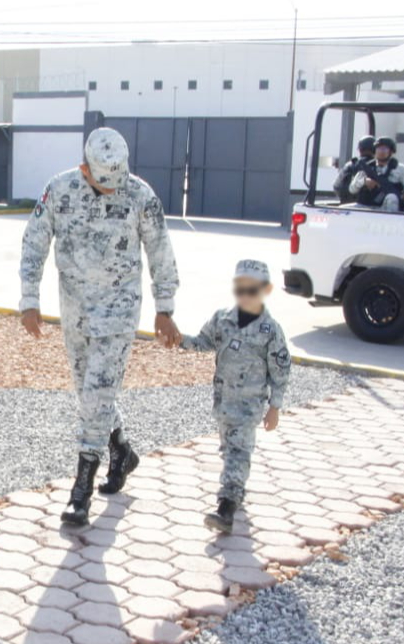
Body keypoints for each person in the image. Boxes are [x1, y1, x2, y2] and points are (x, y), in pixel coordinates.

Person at [19, 127, 181, 526]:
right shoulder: (59, 190)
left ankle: (81, 491)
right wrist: (29, 299)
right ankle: (121, 450)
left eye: (117, 182)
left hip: (119, 312)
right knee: (90, 392)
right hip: (74, 311)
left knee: (96, 394)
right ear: (85, 170)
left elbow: (161, 251)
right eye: (103, 183)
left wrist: (165, 307)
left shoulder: (141, 195)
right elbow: (34, 241)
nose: (112, 190)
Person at [179, 259, 291, 534]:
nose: (244, 295)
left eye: (251, 290)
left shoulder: (270, 330)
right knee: (229, 450)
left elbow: (280, 370)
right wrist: (177, 338)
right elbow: (203, 342)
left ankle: (226, 506)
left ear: (266, 290)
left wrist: (274, 406)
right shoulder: (223, 319)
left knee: (238, 453)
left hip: (249, 406)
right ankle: (236, 491)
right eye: (240, 289)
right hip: (224, 403)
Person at [349, 137, 404, 212]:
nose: (381, 152)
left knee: (392, 197)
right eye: (378, 149)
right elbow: (352, 189)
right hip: (365, 207)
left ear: (391, 152)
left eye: (384, 149)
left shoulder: (400, 169)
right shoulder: (367, 168)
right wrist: (364, 181)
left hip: (386, 209)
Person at [332, 135, 375, 203]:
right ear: (375, 150)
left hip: (346, 205)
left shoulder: (350, 164)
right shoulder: (377, 165)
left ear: (359, 150)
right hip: (368, 206)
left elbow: (336, 186)